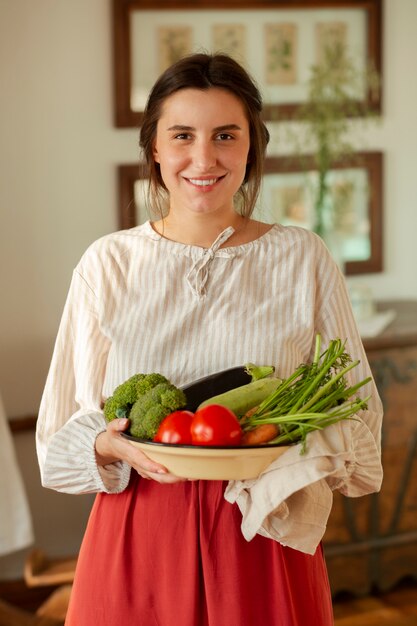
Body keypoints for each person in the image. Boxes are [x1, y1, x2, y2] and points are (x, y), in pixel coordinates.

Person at [36, 53, 383, 625]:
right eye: (182, 136)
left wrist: (294, 445)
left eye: (226, 135)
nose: (204, 158)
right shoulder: (109, 264)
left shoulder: (302, 258)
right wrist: (109, 444)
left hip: (265, 532)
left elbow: (361, 420)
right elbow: (55, 442)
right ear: (154, 148)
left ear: (251, 145)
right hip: (139, 531)